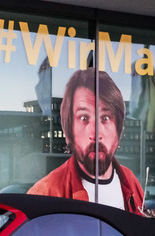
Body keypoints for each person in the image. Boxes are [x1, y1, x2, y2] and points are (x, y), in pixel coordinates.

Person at [28, 68, 144, 214]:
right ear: (68, 129)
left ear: (118, 129)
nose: (96, 133)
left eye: (105, 118)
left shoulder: (130, 181)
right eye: (84, 118)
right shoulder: (44, 194)